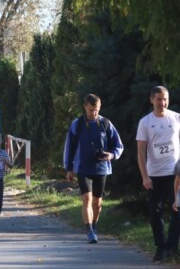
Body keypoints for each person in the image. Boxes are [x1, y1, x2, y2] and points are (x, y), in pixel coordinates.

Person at [63, 94, 123, 244]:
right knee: (87, 199)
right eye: (91, 110)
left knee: (97, 202)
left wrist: (111, 155)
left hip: (102, 168)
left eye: (96, 110)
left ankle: (94, 225)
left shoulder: (105, 123)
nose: (93, 113)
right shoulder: (77, 124)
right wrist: (69, 168)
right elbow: (69, 147)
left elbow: (118, 145)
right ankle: (89, 230)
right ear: (85, 107)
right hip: (83, 168)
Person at [137, 86, 180, 262]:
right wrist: (145, 176)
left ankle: (172, 247)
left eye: (165, 99)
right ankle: (160, 247)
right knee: (155, 212)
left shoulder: (176, 118)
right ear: (152, 100)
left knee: (177, 210)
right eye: (159, 99)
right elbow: (140, 152)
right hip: (154, 174)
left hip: (175, 173)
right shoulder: (145, 122)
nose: (162, 103)